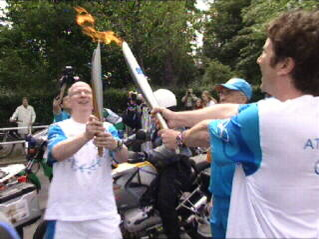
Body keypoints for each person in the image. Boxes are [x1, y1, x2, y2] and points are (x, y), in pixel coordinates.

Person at [155, 10, 319, 238]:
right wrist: (177, 118)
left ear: (284, 65)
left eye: (264, 52)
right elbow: (233, 111)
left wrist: (179, 137)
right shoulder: (273, 115)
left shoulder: (265, 120)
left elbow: (205, 132)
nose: (258, 59)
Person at [44, 81, 128, 239]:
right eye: (77, 92)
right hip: (65, 216)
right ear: (68, 101)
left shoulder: (108, 128)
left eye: (87, 92)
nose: (82, 95)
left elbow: (123, 158)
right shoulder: (58, 127)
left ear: (94, 99)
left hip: (103, 213)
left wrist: (115, 145)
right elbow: (56, 153)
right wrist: (85, 136)